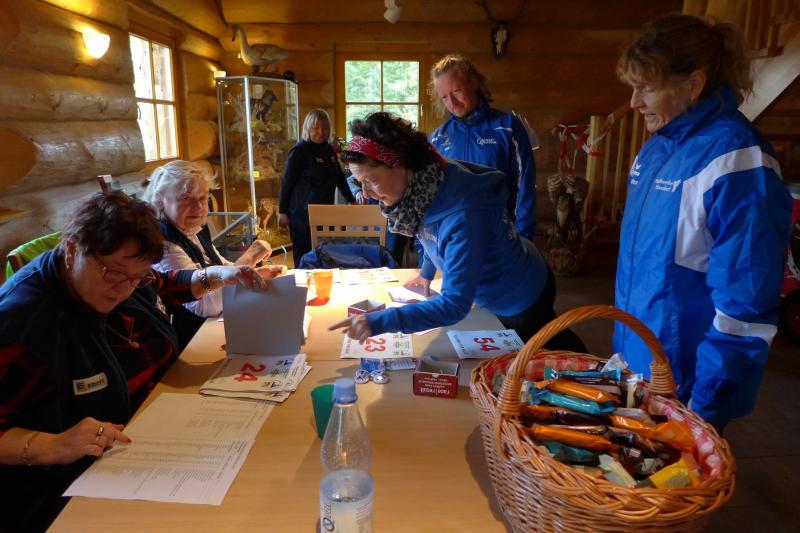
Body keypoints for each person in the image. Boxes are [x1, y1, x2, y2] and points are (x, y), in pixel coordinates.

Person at [0, 192, 266, 531]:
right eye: (114, 274)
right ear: (71, 250)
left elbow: (164, 285)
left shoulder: (121, 277)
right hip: (64, 492)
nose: (124, 289)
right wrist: (52, 445)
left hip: (148, 431)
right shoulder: (23, 324)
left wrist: (217, 275)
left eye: (136, 277)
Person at [613, 14, 792, 432]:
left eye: (647, 88)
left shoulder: (739, 163)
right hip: (639, 372)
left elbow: (745, 308)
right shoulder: (657, 150)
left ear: (693, 84)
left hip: (687, 391)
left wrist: (701, 412)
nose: (634, 102)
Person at [329, 112, 584, 351]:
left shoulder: (464, 214)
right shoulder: (428, 180)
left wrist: (380, 321)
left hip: (520, 295)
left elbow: (454, 305)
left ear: (402, 165)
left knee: (549, 352)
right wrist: (426, 273)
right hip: (508, 275)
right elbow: (431, 231)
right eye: (360, 183)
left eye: (371, 180)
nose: (366, 193)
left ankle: (597, 371)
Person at [142, 160, 283, 349]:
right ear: (160, 200)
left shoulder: (192, 230)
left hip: (216, 329)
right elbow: (207, 306)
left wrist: (256, 273)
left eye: (203, 198)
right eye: (186, 198)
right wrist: (249, 258)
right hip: (194, 342)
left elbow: (222, 266)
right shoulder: (163, 245)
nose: (198, 207)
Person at [429, 53, 537, 240]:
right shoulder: (438, 138)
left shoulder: (507, 127)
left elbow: (524, 184)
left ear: (473, 83)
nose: (451, 103)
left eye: (456, 91)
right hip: (453, 240)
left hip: (500, 237)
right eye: (444, 97)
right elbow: (431, 195)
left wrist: (523, 237)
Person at [279, 109, 356, 265]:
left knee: (323, 253)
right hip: (301, 214)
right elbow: (287, 182)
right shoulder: (299, 151)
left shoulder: (329, 150)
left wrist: (351, 200)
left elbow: (339, 178)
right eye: (316, 128)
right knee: (304, 255)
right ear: (308, 128)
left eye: (325, 128)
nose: (321, 132)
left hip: (325, 211)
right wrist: (282, 211)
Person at [346, 170, 409, 265]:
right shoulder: (367, 168)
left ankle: (393, 267)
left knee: (394, 247)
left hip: (394, 214)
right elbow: (350, 180)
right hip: (373, 215)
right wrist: (357, 192)